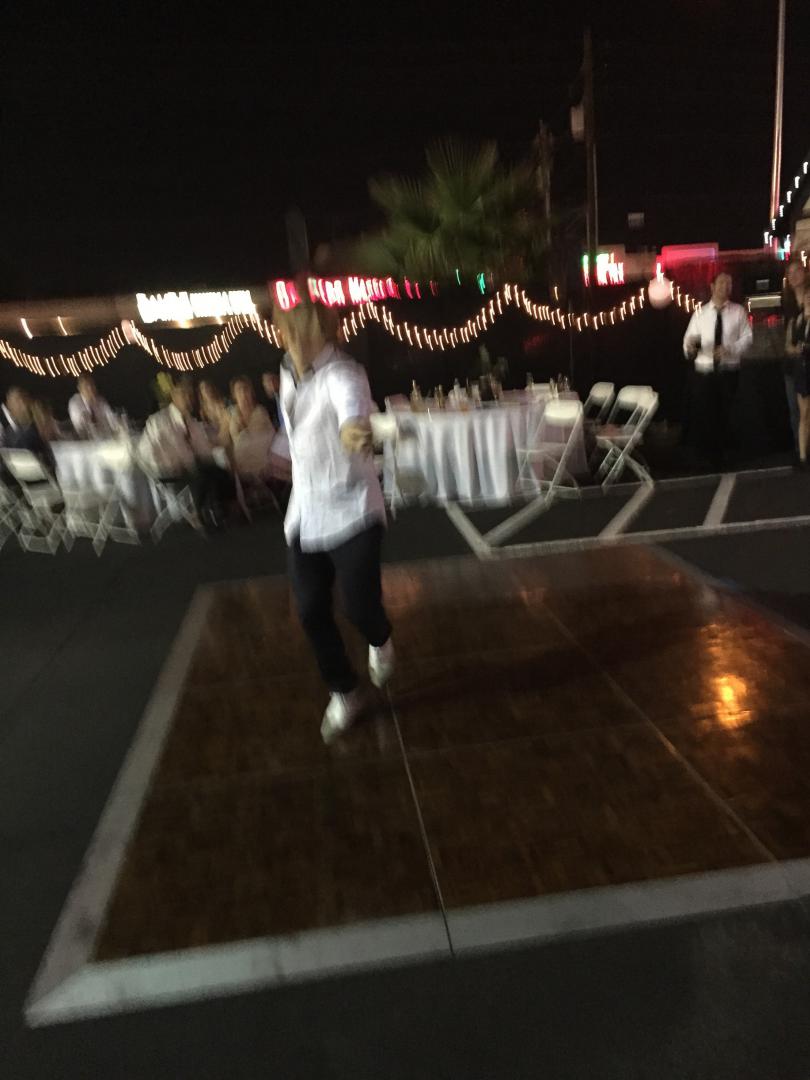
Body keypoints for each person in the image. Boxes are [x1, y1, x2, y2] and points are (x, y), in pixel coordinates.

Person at [273, 289, 394, 743]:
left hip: (352, 507)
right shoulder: (287, 373)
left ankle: (379, 638)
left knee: (360, 606)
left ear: (314, 332)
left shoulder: (343, 373)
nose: (283, 337)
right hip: (305, 511)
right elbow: (296, 433)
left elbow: (350, 412)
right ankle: (344, 691)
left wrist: (353, 430)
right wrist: (272, 453)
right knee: (309, 610)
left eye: (291, 330)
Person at [138, 376, 233, 529]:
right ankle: (200, 513)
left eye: (190, 395)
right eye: (184, 395)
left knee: (220, 473)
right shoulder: (160, 421)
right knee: (202, 475)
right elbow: (146, 450)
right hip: (171, 469)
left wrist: (213, 455)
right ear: (175, 397)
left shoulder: (191, 422)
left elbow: (202, 448)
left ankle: (216, 510)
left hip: (191, 466)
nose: (188, 399)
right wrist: (168, 465)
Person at [683, 271, 752, 468]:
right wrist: (690, 348)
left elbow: (748, 338)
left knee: (727, 413)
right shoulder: (700, 313)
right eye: (722, 283)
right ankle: (708, 456)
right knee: (706, 413)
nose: (725, 287)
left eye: (729, 283)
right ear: (712, 286)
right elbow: (688, 340)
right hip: (704, 371)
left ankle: (726, 455)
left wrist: (730, 349)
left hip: (729, 370)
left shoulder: (738, 311)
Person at [782, 259, 807, 456]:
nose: (794, 276)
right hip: (793, 366)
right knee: (795, 410)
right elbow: (787, 341)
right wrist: (793, 349)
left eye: (797, 271)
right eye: (790, 273)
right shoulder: (787, 304)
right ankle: (801, 452)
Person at [0, 386, 55, 468]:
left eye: (19, 401)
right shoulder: (15, 433)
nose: (21, 405)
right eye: (12, 403)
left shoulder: (34, 429)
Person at [789, 287, 810, 469]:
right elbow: (789, 346)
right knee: (804, 413)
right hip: (802, 370)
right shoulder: (796, 320)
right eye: (807, 296)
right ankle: (803, 456)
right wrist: (797, 349)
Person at [68, 374, 117, 438]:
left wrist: (117, 426)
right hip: (85, 440)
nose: (90, 389)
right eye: (86, 386)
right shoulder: (75, 402)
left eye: (92, 385)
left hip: (104, 438)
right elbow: (82, 427)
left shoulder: (101, 400)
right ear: (79, 389)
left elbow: (112, 419)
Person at [198, 379, 232, 448]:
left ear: (212, 388)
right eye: (202, 388)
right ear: (201, 393)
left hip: (229, 435)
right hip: (216, 441)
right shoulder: (203, 411)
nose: (206, 390)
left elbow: (229, 420)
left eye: (207, 387)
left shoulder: (224, 402)